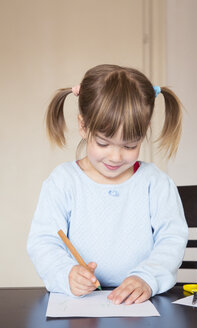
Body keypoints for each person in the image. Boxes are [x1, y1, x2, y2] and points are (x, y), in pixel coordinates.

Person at [27, 64, 188, 305]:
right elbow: (43, 241)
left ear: (143, 133)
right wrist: (66, 273)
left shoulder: (155, 183)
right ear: (83, 126)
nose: (115, 157)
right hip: (79, 304)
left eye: (130, 146)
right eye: (103, 144)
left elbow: (172, 239)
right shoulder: (63, 181)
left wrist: (147, 278)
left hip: (141, 305)